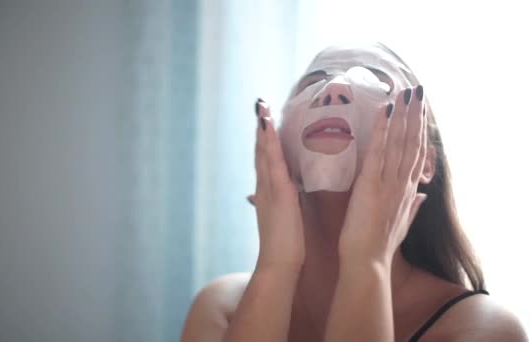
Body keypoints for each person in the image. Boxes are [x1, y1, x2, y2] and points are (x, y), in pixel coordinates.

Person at [180, 43, 528, 341]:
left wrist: (366, 263)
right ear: (278, 142)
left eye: (373, 81)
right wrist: (276, 265)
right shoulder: (222, 307)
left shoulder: (482, 329)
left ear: (424, 160)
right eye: (313, 83)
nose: (333, 91)